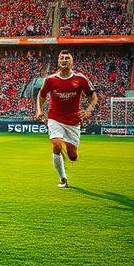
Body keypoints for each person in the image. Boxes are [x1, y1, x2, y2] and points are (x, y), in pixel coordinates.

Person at [35, 50, 97, 188]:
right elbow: (41, 95)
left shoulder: (80, 79)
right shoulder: (50, 80)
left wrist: (88, 110)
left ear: (72, 62)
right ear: (58, 62)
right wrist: (39, 110)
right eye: (61, 58)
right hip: (55, 118)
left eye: (67, 58)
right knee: (56, 144)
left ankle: (69, 152)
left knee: (72, 155)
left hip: (73, 122)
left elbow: (93, 96)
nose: (64, 60)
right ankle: (63, 179)